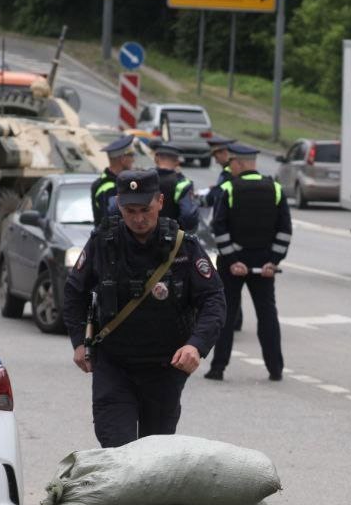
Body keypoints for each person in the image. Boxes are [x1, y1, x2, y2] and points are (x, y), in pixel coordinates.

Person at [62, 169, 226, 447]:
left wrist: (196, 346)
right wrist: (79, 342)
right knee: (118, 451)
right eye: (130, 210)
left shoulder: (183, 247)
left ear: (160, 202)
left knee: (154, 457)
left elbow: (214, 299)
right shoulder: (103, 242)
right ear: (118, 205)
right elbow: (74, 292)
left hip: (164, 369)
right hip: (115, 366)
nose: (138, 218)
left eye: (145, 209)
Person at [206, 142, 291, 381]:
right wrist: (273, 261)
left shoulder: (229, 189)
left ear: (240, 163)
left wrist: (233, 260)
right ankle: (275, 369)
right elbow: (284, 230)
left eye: (231, 162)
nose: (229, 166)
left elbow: (219, 228)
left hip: (233, 266)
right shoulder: (275, 189)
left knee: (226, 315)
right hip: (264, 265)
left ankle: (218, 368)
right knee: (267, 316)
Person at [149, 140, 199, 232]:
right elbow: (188, 215)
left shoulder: (144, 178)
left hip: (144, 236)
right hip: (170, 237)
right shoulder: (182, 183)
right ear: (177, 162)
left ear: (156, 159)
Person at [90, 135, 136, 225]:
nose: (133, 160)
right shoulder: (107, 187)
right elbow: (113, 219)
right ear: (123, 159)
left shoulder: (119, 182)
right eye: (131, 156)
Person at [204, 135, 237, 208]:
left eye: (216, 157)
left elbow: (215, 196)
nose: (216, 162)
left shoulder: (229, 173)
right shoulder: (230, 171)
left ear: (225, 153)